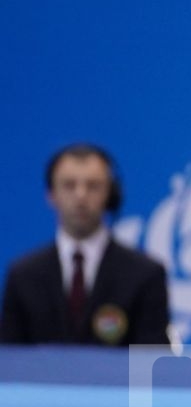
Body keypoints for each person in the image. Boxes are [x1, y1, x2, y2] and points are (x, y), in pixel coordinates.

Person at [2, 146, 169, 347]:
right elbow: (10, 357)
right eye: (69, 185)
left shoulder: (144, 274)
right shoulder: (23, 276)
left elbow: (153, 359)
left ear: (110, 194)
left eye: (93, 186)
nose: (80, 196)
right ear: (51, 194)